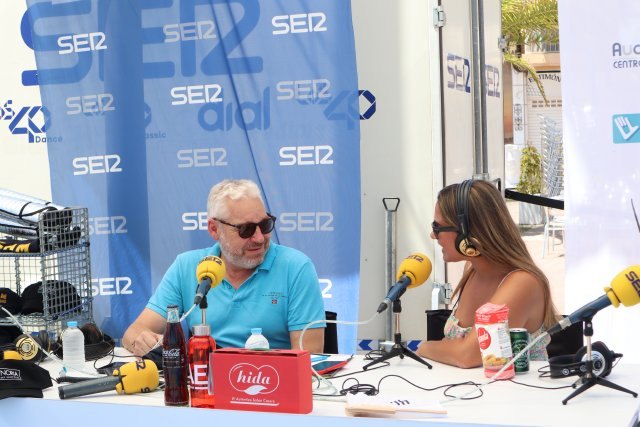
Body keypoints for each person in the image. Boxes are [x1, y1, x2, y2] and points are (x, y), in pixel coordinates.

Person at [123, 179, 325, 356]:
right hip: (204, 387)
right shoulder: (187, 266)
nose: (259, 238)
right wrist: (142, 342)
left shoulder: (296, 268)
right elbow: (133, 333)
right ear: (214, 229)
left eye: (264, 225)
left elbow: (310, 357)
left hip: (271, 385)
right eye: (245, 229)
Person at [416, 179, 559, 368]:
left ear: (466, 233)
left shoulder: (522, 283)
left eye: (437, 228)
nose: (433, 236)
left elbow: (468, 355)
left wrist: (423, 347)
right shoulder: (472, 269)